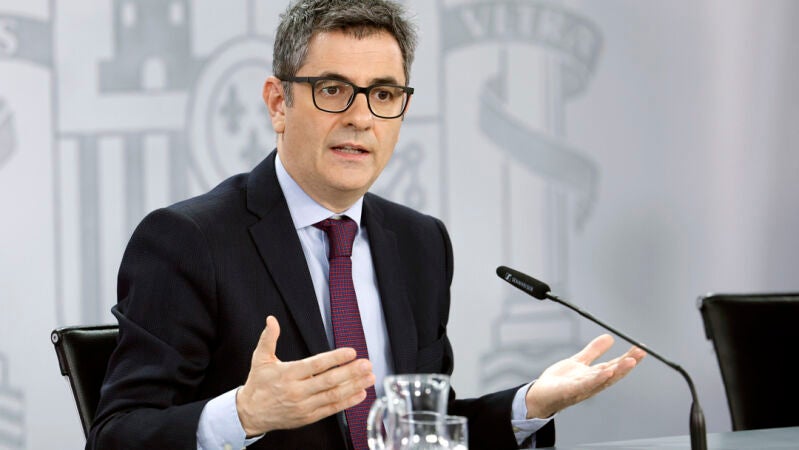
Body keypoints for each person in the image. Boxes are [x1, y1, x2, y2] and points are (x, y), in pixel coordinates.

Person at [87, 1, 645, 449]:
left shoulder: (420, 243)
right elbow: (116, 435)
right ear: (278, 103)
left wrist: (529, 404)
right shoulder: (189, 240)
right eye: (332, 90)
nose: (360, 117)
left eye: (383, 94)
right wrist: (244, 414)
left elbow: (420, 427)